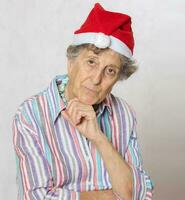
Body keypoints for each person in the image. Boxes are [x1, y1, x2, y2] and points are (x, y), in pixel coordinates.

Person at [12, 3, 154, 200]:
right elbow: (35, 197)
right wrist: (106, 197)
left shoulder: (124, 114)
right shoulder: (31, 114)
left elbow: (138, 195)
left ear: (117, 78)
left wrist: (99, 137)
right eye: (91, 62)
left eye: (110, 70)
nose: (96, 79)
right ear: (71, 63)